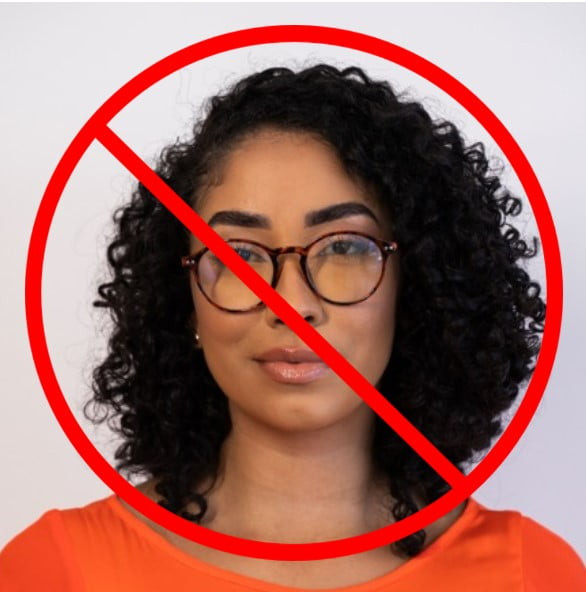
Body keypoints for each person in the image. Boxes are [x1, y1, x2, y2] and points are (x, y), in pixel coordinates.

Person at [1, 64, 584, 590]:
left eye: (345, 247)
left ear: (418, 288)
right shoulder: (54, 571)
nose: (289, 303)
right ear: (184, 301)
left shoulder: (532, 573)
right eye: (237, 256)